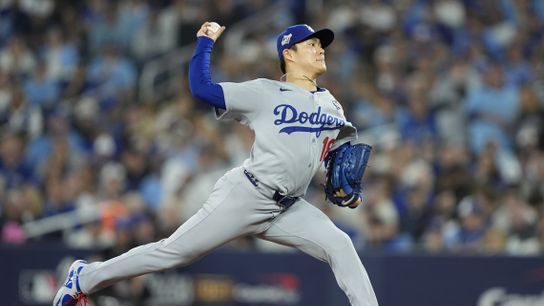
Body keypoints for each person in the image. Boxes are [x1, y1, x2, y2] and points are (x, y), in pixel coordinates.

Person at [53, 22, 379, 306]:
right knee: (174, 253)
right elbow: (202, 89)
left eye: (321, 45)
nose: (320, 49)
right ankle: (85, 276)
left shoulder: (331, 104)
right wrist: (205, 42)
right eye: (312, 44)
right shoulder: (265, 92)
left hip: (290, 208)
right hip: (247, 195)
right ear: (289, 54)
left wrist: (346, 182)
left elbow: (342, 149)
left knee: (341, 245)